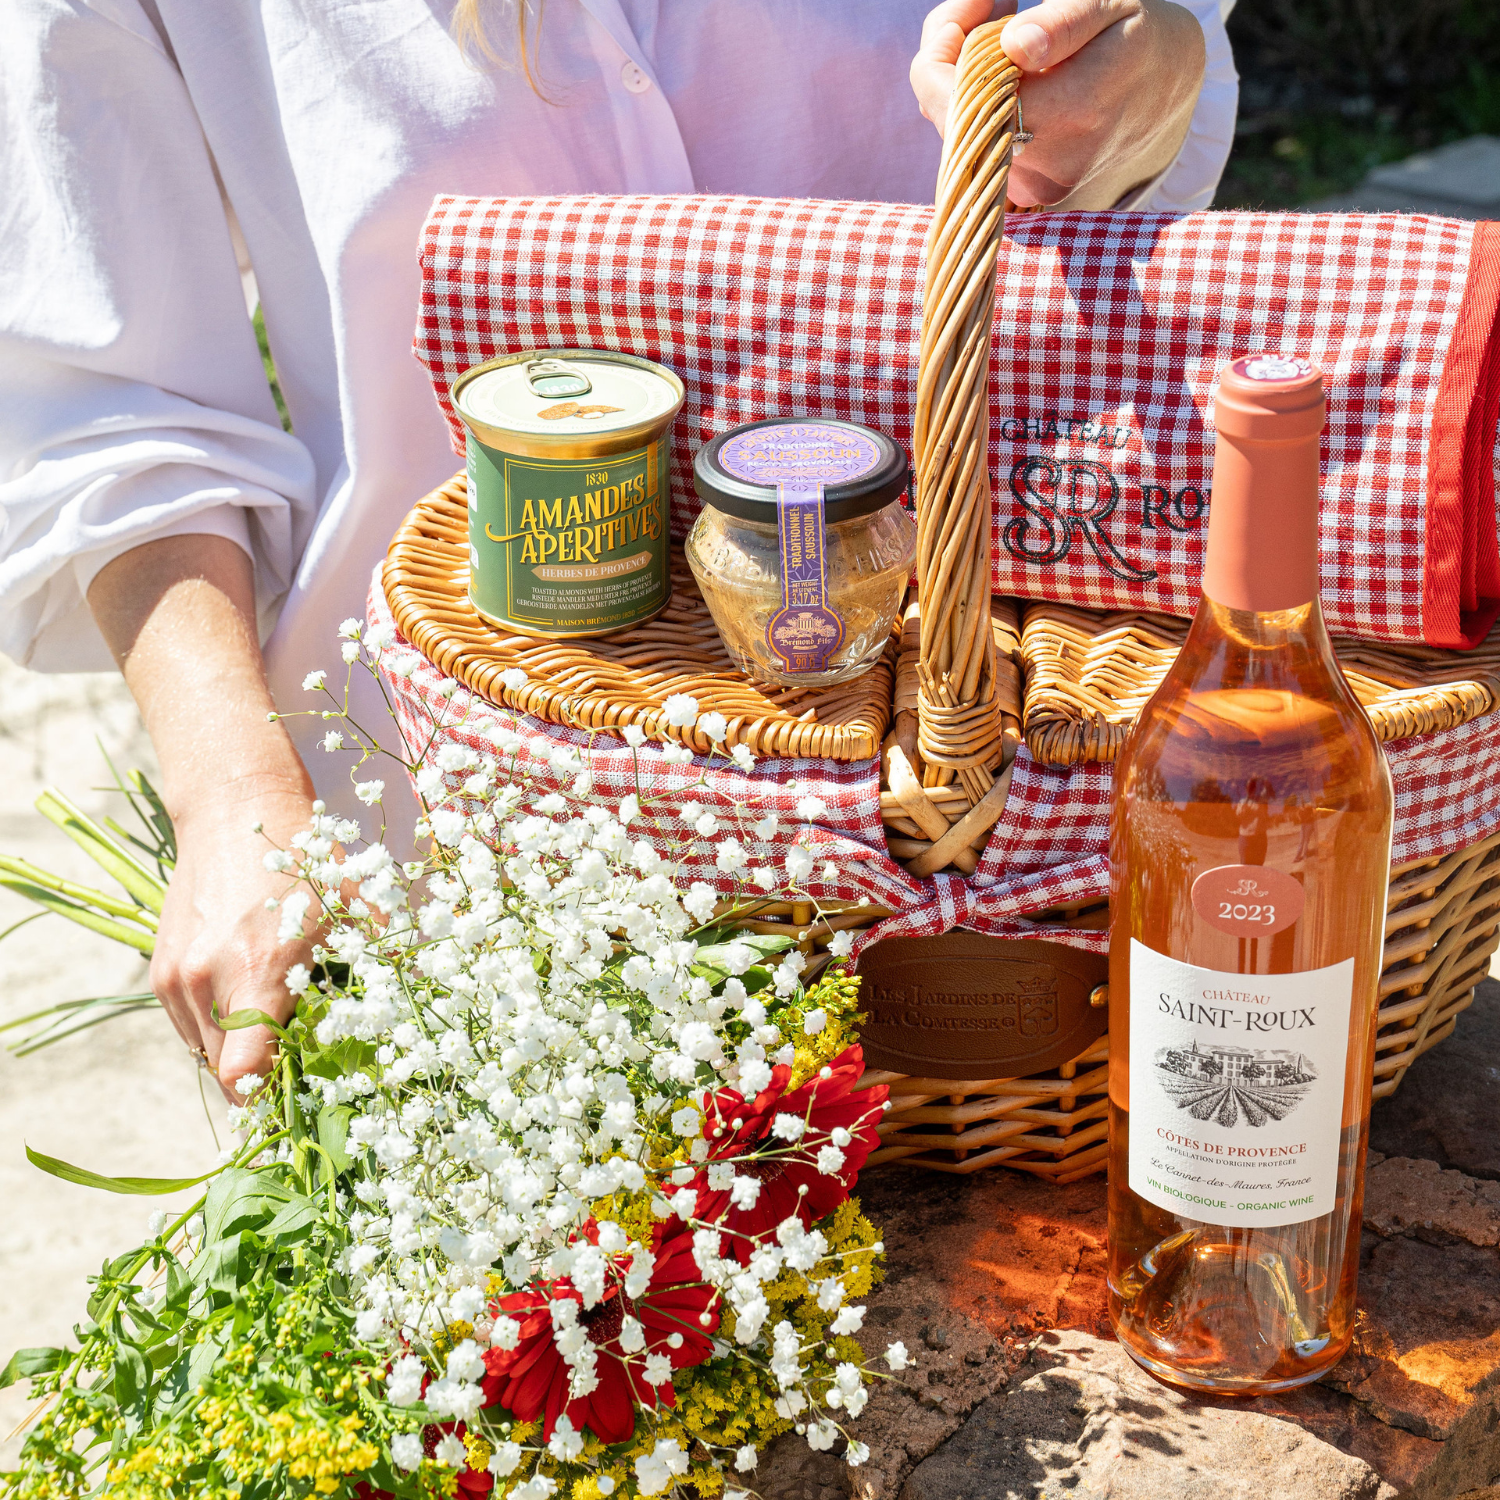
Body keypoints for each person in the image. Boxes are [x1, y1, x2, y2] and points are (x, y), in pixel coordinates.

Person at [0, 0, 1233, 1098]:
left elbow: (1134, 78)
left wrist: (1154, 51)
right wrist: (237, 805)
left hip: (974, 843)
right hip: (443, 874)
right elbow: (118, 412)